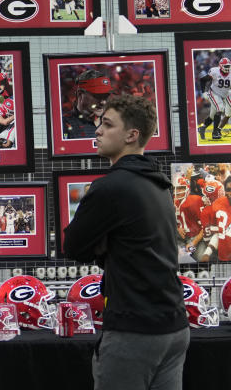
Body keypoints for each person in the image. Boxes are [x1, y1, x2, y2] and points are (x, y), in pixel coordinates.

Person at [62, 94, 188, 390]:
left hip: (135, 329)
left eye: (107, 124)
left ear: (132, 135)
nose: (97, 130)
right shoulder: (159, 184)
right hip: (174, 324)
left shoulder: (110, 187)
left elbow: (72, 247)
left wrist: (102, 245)